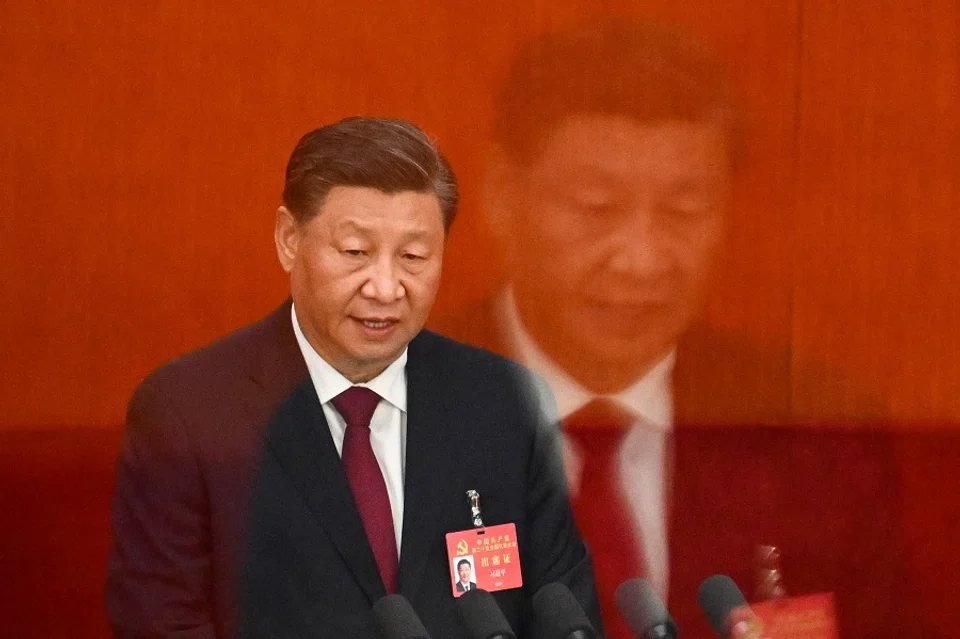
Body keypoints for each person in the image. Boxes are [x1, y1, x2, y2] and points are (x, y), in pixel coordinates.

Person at [429, 20, 902, 639]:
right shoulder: (383, 416)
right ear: (500, 195)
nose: (642, 259)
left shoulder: (816, 436)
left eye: (685, 209)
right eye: (596, 208)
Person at [107, 117, 600, 638]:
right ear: (289, 239)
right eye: (356, 253)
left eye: (413, 257)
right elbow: (162, 621)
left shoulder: (504, 402)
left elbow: (564, 609)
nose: (386, 288)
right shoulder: (188, 411)